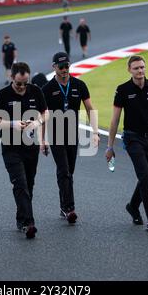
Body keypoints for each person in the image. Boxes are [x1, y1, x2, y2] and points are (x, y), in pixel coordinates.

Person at [105, 55, 148, 233]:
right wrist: (110, 147)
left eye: (142, 67)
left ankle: (133, 206)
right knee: (144, 177)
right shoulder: (123, 90)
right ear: (129, 70)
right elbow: (115, 120)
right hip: (132, 138)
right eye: (136, 68)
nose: (140, 71)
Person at [0, 62, 48, 239]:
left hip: (30, 147)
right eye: (18, 84)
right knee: (20, 183)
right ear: (11, 78)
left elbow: (46, 113)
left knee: (29, 185)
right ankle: (29, 223)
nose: (22, 87)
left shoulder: (36, 91)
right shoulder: (3, 94)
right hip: (10, 148)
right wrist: (12, 124)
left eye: (25, 83)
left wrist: (37, 123)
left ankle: (20, 217)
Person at [42, 52, 100, 224]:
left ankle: (63, 205)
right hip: (55, 133)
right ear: (54, 67)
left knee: (69, 172)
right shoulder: (47, 89)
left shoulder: (79, 85)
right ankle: (69, 209)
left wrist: (95, 132)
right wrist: (43, 140)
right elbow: (42, 116)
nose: (65, 69)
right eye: (61, 67)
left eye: (67, 66)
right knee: (64, 170)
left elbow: (90, 108)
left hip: (73, 133)